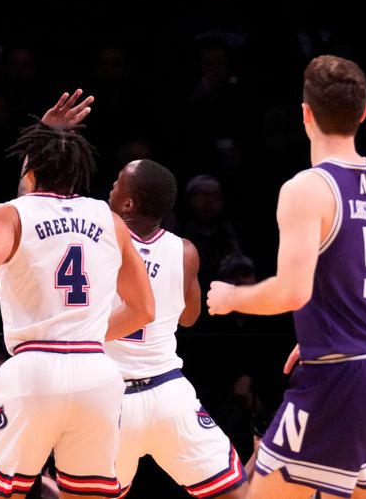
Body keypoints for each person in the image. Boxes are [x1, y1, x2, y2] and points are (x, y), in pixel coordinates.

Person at [0, 94, 156, 498]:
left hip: (33, 369)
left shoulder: (8, 215)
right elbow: (143, 308)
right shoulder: (110, 221)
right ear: (79, 171)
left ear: (30, 165)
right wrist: (83, 335)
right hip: (96, 373)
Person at [207, 54, 366, 499]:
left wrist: (229, 298)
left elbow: (291, 292)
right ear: (363, 113)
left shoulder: (307, 187)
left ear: (305, 114)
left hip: (338, 380)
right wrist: (333, 319)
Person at [105, 158, 247, 498]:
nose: (110, 187)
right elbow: (189, 318)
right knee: (235, 493)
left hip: (109, 398)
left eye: (116, 183)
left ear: (128, 203)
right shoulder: (185, 251)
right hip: (168, 394)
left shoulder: (99, 239)